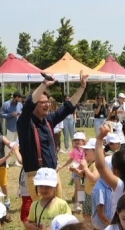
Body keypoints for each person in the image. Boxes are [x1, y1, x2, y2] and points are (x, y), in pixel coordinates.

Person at [17, 72, 88, 201]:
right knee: (44, 215)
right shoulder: (25, 123)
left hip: (53, 173)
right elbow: (28, 105)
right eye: (43, 102)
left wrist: (82, 87)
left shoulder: (49, 120)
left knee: (57, 211)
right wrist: (44, 84)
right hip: (36, 176)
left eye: (48, 102)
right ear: (34, 106)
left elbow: (68, 107)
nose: (47, 105)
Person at [0, 92, 23, 166]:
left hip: (19, 128)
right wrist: (11, 114)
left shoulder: (20, 104)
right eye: (16, 100)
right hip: (10, 127)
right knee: (9, 145)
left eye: (19, 100)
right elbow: (1, 114)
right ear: (13, 98)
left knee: (18, 145)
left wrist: (21, 113)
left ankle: (17, 161)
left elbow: (23, 112)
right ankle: (7, 162)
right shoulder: (6, 104)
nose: (17, 102)